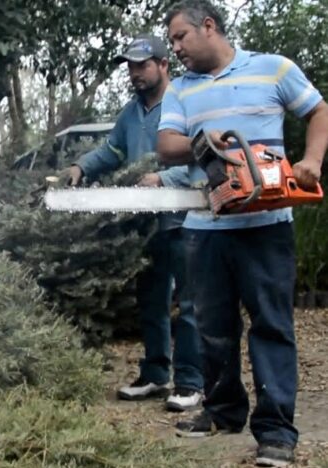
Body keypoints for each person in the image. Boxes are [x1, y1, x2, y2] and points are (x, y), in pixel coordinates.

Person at [157, 1, 328, 467]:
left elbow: (318, 111)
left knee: (271, 325)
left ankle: (276, 431)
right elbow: (167, 145)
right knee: (212, 327)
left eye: (179, 38)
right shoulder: (181, 89)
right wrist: (204, 139)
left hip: (267, 224)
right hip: (205, 226)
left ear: (208, 26)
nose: (175, 48)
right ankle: (222, 409)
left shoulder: (273, 70)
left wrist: (311, 162)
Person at [63, 35, 203, 412]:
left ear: (163, 65)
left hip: (187, 218)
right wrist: (81, 167)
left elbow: (203, 158)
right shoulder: (131, 113)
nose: (135, 73)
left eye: (142, 65)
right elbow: (112, 151)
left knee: (189, 302)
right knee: (151, 300)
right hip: (146, 222)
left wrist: (164, 179)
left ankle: (191, 382)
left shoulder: (186, 103)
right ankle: (157, 374)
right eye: (130, 66)